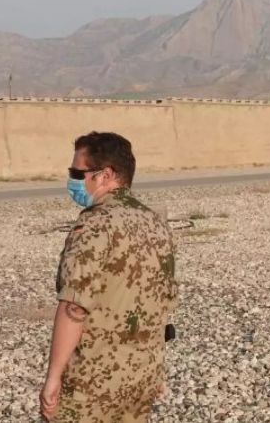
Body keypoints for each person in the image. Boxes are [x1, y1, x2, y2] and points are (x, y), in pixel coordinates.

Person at [40, 132, 179, 423]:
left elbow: (74, 307)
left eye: (77, 172)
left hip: (94, 380)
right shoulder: (155, 222)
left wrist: (54, 375)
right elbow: (163, 299)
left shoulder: (94, 225)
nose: (73, 180)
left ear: (105, 175)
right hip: (143, 374)